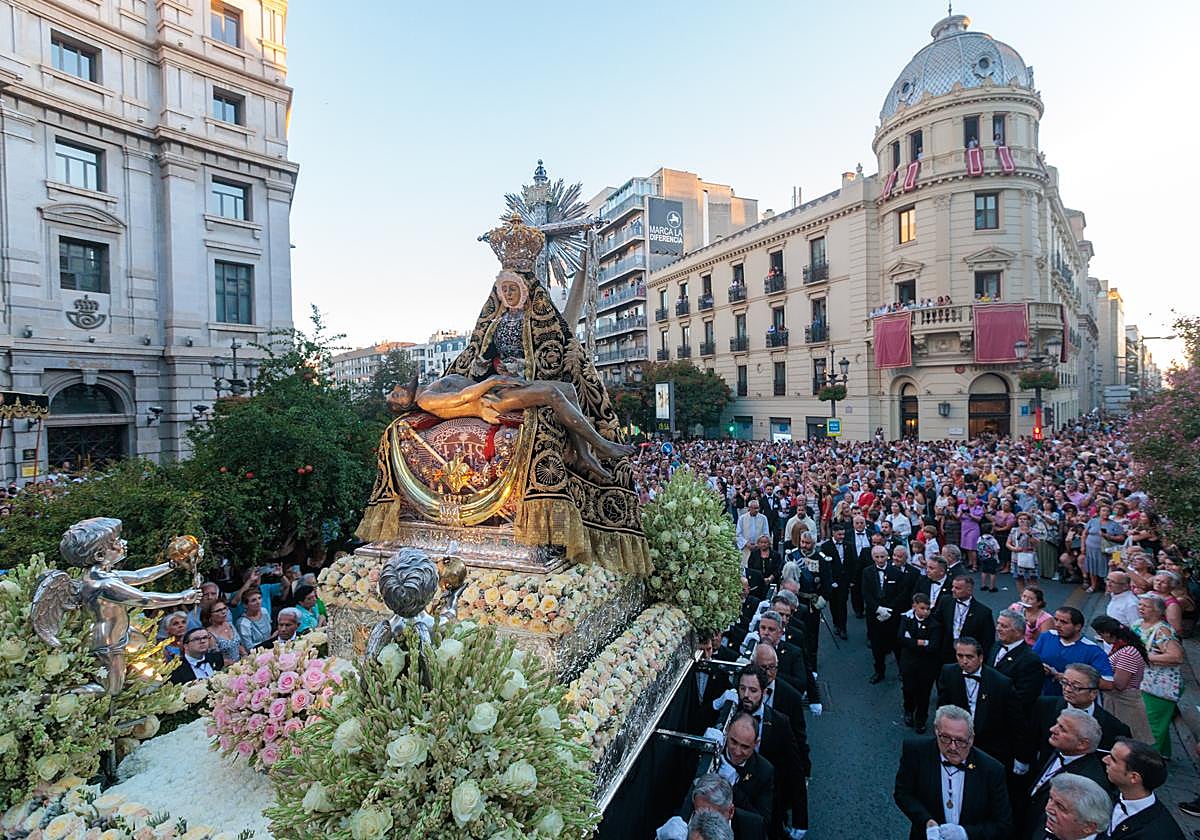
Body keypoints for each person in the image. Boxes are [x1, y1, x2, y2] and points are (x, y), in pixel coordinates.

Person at [892, 704, 1012, 840]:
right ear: (936, 731)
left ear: (971, 739)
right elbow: (903, 793)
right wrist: (926, 821)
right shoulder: (915, 752)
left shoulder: (992, 770)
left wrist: (965, 833)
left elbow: (1003, 825)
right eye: (945, 738)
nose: (953, 747)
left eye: (960, 741)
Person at [1023, 709, 1114, 840]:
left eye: (1063, 729)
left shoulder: (1090, 782)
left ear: (1082, 744)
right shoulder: (1060, 749)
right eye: (1057, 724)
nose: (1052, 729)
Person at [936, 637, 1024, 770]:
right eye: (960, 656)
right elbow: (943, 707)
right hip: (957, 742)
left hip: (990, 747)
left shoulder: (1001, 683)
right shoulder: (948, 672)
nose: (964, 661)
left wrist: (1021, 756)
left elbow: (1016, 721)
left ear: (981, 658)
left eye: (969, 657)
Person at [1030, 663, 1131, 756]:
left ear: (1093, 694)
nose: (1067, 689)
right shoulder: (1043, 706)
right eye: (1065, 683)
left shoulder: (1114, 728)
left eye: (1076, 687)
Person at [1100, 739, 1185, 839]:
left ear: (1134, 777)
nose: (1105, 760)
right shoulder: (1112, 794)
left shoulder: (1155, 833)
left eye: (1113, 760)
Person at [1133, 593, 1184, 757]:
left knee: (1153, 724)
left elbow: (1176, 656)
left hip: (1159, 686)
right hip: (1144, 681)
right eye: (1140, 604)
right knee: (1154, 721)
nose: (1140, 608)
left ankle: (1150, 759)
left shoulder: (1162, 631)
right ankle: (1163, 753)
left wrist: (1145, 657)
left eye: (1145, 606)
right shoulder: (1137, 624)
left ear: (1158, 611)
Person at [1089, 615, 1153, 744]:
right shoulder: (1121, 647)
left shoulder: (1127, 653)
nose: (1101, 638)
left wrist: (1090, 680)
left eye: (1100, 634)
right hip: (1117, 702)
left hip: (1124, 705)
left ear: (1107, 633)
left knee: (1128, 743)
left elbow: (1119, 684)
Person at [1032, 606, 1114, 696]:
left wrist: (1068, 679)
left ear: (1077, 627)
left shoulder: (1093, 650)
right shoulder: (1047, 636)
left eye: (1064, 622)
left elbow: (1108, 684)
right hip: (1040, 695)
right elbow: (1031, 660)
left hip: (1073, 701)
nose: (1057, 625)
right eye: (1056, 620)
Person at [897, 592, 943, 733]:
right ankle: (908, 711)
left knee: (924, 693)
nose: (926, 612)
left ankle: (921, 719)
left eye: (928, 609)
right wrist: (920, 642)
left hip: (926, 665)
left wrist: (912, 641)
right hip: (908, 663)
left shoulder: (935, 625)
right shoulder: (906, 619)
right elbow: (901, 638)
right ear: (914, 606)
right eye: (922, 608)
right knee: (908, 689)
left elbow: (933, 646)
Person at [863, 545, 906, 683]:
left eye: (882, 556)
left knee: (897, 644)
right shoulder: (867, 572)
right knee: (877, 646)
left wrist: (889, 610)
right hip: (875, 615)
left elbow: (901, 594)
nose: (880, 560)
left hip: (892, 615)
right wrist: (877, 608)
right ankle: (879, 671)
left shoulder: (896, 572)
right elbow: (866, 593)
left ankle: (902, 671)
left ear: (887, 556)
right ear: (872, 557)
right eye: (877, 557)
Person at [991, 609, 1044, 718]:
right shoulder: (996, 646)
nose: (998, 628)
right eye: (998, 624)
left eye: (1004, 626)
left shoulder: (1030, 660)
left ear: (1018, 632)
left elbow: (1024, 697)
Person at [935, 576, 995, 664]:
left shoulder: (983, 612)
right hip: (945, 650)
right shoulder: (945, 601)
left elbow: (987, 640)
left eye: (957, 588)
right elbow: (937, 623)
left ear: (969, 590)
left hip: (968, 655)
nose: (952, 590)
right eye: (953, 586)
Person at [1043, 774, 1113, 840]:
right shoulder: (1044, 826)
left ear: (1088, 827)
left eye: (1060, 807)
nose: (1048, 808)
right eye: (1050, 798)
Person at [818, 522, 851, 639]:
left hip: (844, 580)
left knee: (842, 604)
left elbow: (852, 562)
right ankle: (836, 623)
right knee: (833, 604)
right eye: (839, 534)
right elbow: (824, 565)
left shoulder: (848, 545)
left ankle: (843, 627)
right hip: (831, 580)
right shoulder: (826, 546)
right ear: (833, 533)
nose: (842, 537)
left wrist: (851, 579)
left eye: (843, 534)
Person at [1083, 504, 1125, 593]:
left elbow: (1122, 538)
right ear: (1099, 512)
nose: (1106, 513)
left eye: (1108, 511)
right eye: (1103, 510)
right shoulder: (1092, 521)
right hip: (1091, 549)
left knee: (1109, 568)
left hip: (1107, 551)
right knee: (1092, 567)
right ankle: (1093, 586)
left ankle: (1108, 588)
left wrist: (1108, 536)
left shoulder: (1114, 524)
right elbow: (1084, 534)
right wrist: (1083, 546)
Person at [201, 599, 247, 664]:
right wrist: (236, 665)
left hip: (241, 664)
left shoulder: (230, 624)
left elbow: (238, 645)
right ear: (210, 615)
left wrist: (245, 655)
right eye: (218, 610)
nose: (223, 612)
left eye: (224, 608)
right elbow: (216, 658)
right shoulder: (209, 634)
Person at [1007, 512, 1039, 593]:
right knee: (1019, 578)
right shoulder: (1014, 530)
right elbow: (1008, 543)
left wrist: (1029, 534)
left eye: (1024, 519)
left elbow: (1036, 544)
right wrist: (1014, 548)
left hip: (1030, 557)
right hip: (1017, 557)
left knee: (1032, 579)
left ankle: (1033, 596)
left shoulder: (1034, 531)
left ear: (1029, 521)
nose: (1022, 521)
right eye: (1020, 519)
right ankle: (1022, 596)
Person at [737, 500, 771, 565]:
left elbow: (766, 533)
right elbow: (738, 534)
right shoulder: (742, 518)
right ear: (749, 508)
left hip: (759, 548)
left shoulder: (763, 518)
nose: (757, 510)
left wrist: (759, 544)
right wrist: (746, 543)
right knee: (745, 565)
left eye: (758, 508)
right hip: (746, 548)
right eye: (754, 508)